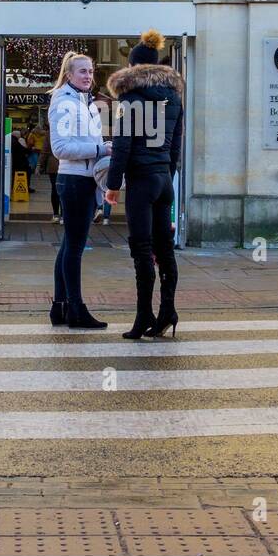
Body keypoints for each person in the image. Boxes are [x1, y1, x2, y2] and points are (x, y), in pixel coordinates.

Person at [105, 30, 184, 340]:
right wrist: (168, 175)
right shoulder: (174, 97)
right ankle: (168, 310)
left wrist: (112, 185)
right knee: (165, 250)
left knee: (141, 250)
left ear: (132, 67)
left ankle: (143, 317)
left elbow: (122, 144)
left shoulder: (129, 97)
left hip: (141, 180)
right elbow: (176, 146)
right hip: (164, 179)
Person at [48, 51, 112, 329]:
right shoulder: (64, 102)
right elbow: (60, 148)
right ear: (69, 74)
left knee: (68, 247)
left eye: (91, 71)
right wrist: (101, 148)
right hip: (74, 181)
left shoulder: (82, 102)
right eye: (83, 71)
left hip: (83, 180)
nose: (89, 76)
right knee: (74, 248)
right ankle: (76, 309)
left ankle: (60, 307)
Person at [42, 128, 61, 222]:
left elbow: (45, 150)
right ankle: (64, 216)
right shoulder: (70, 129)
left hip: (53, 164)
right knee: (65, 190)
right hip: (67, 164)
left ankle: (56, 215)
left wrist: (39, 164)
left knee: (55, 189)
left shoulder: (50, 132)